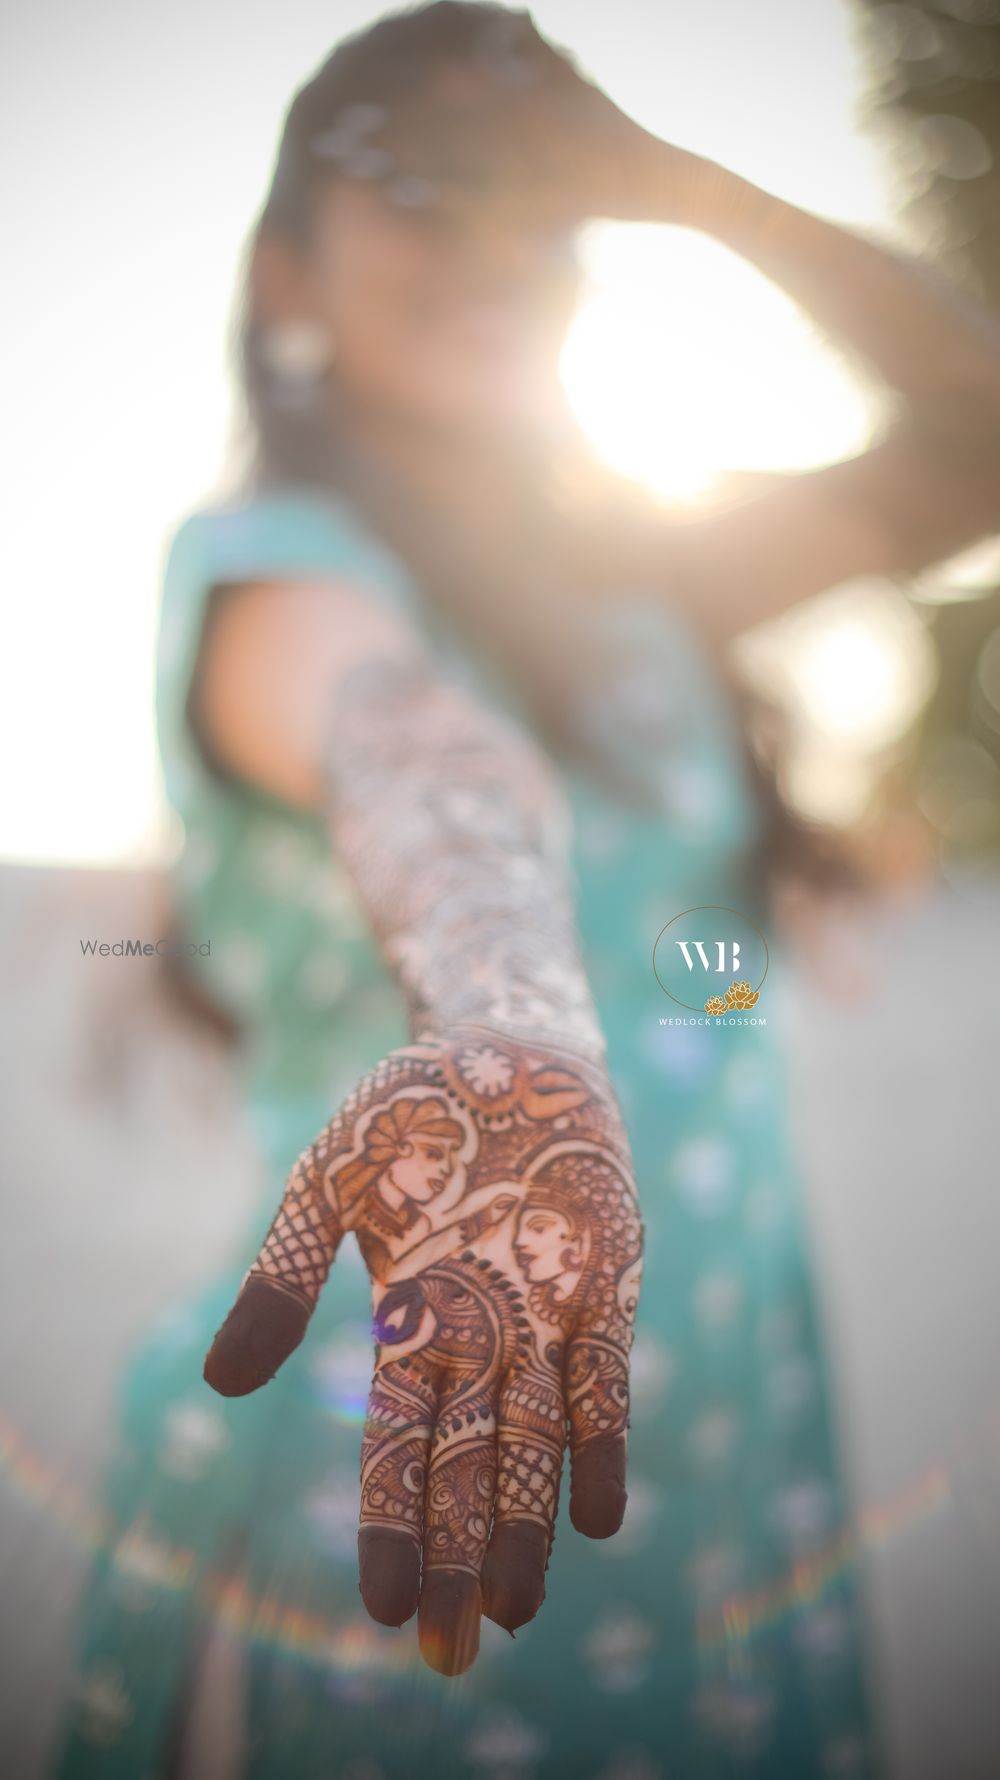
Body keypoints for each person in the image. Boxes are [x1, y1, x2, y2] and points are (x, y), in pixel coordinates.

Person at [53, 5, 1000, 1777]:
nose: (489, 243)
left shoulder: (657, 579)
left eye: (533, 202)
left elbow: (980, 433)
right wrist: (514, 1019)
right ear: (285, 285)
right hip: (416, 1412)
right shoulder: (277, 577)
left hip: (716, 1426)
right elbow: (408, 748)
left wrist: (686, 190)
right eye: (414, 187)